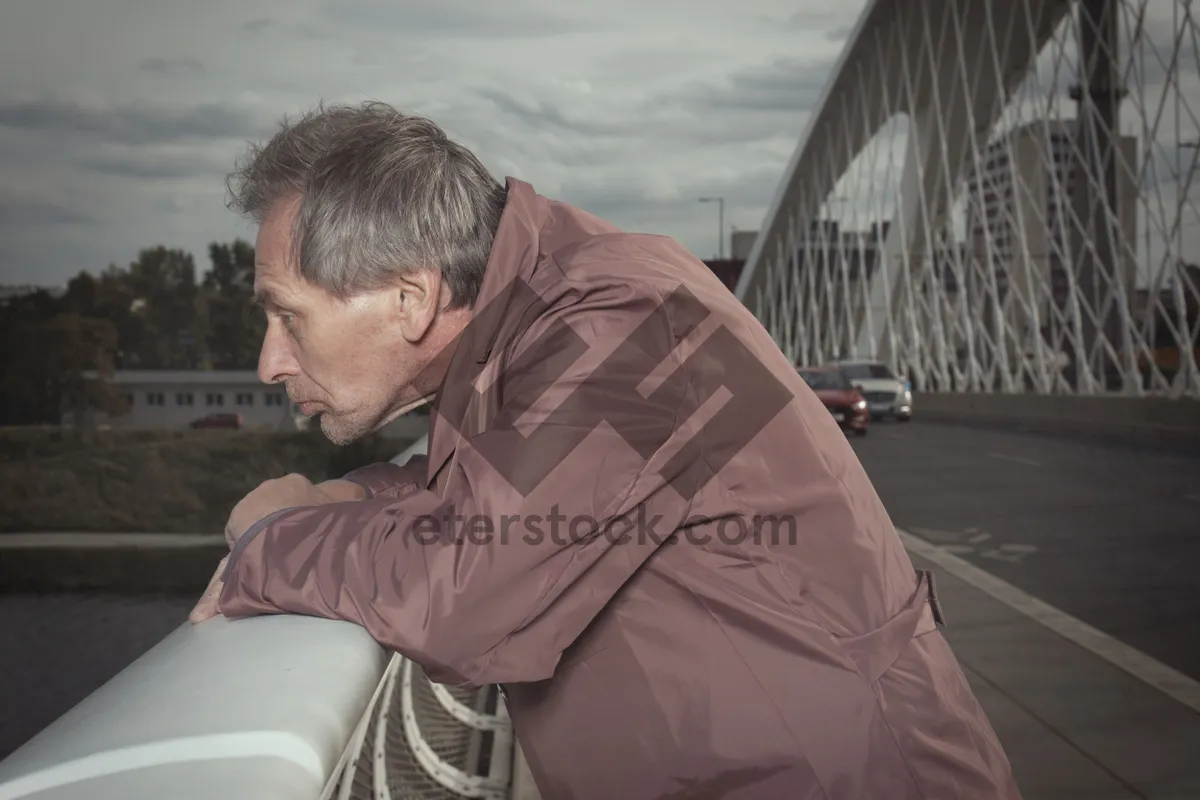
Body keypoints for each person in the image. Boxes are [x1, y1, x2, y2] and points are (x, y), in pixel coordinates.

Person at [190, 101, 1021, 800]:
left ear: (411, 297)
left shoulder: (634, 322)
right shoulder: (538, 326)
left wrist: (274, 538)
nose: (271, 361)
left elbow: (465, 589)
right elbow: (503, 493)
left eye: (287, 316)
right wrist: (356, 499)